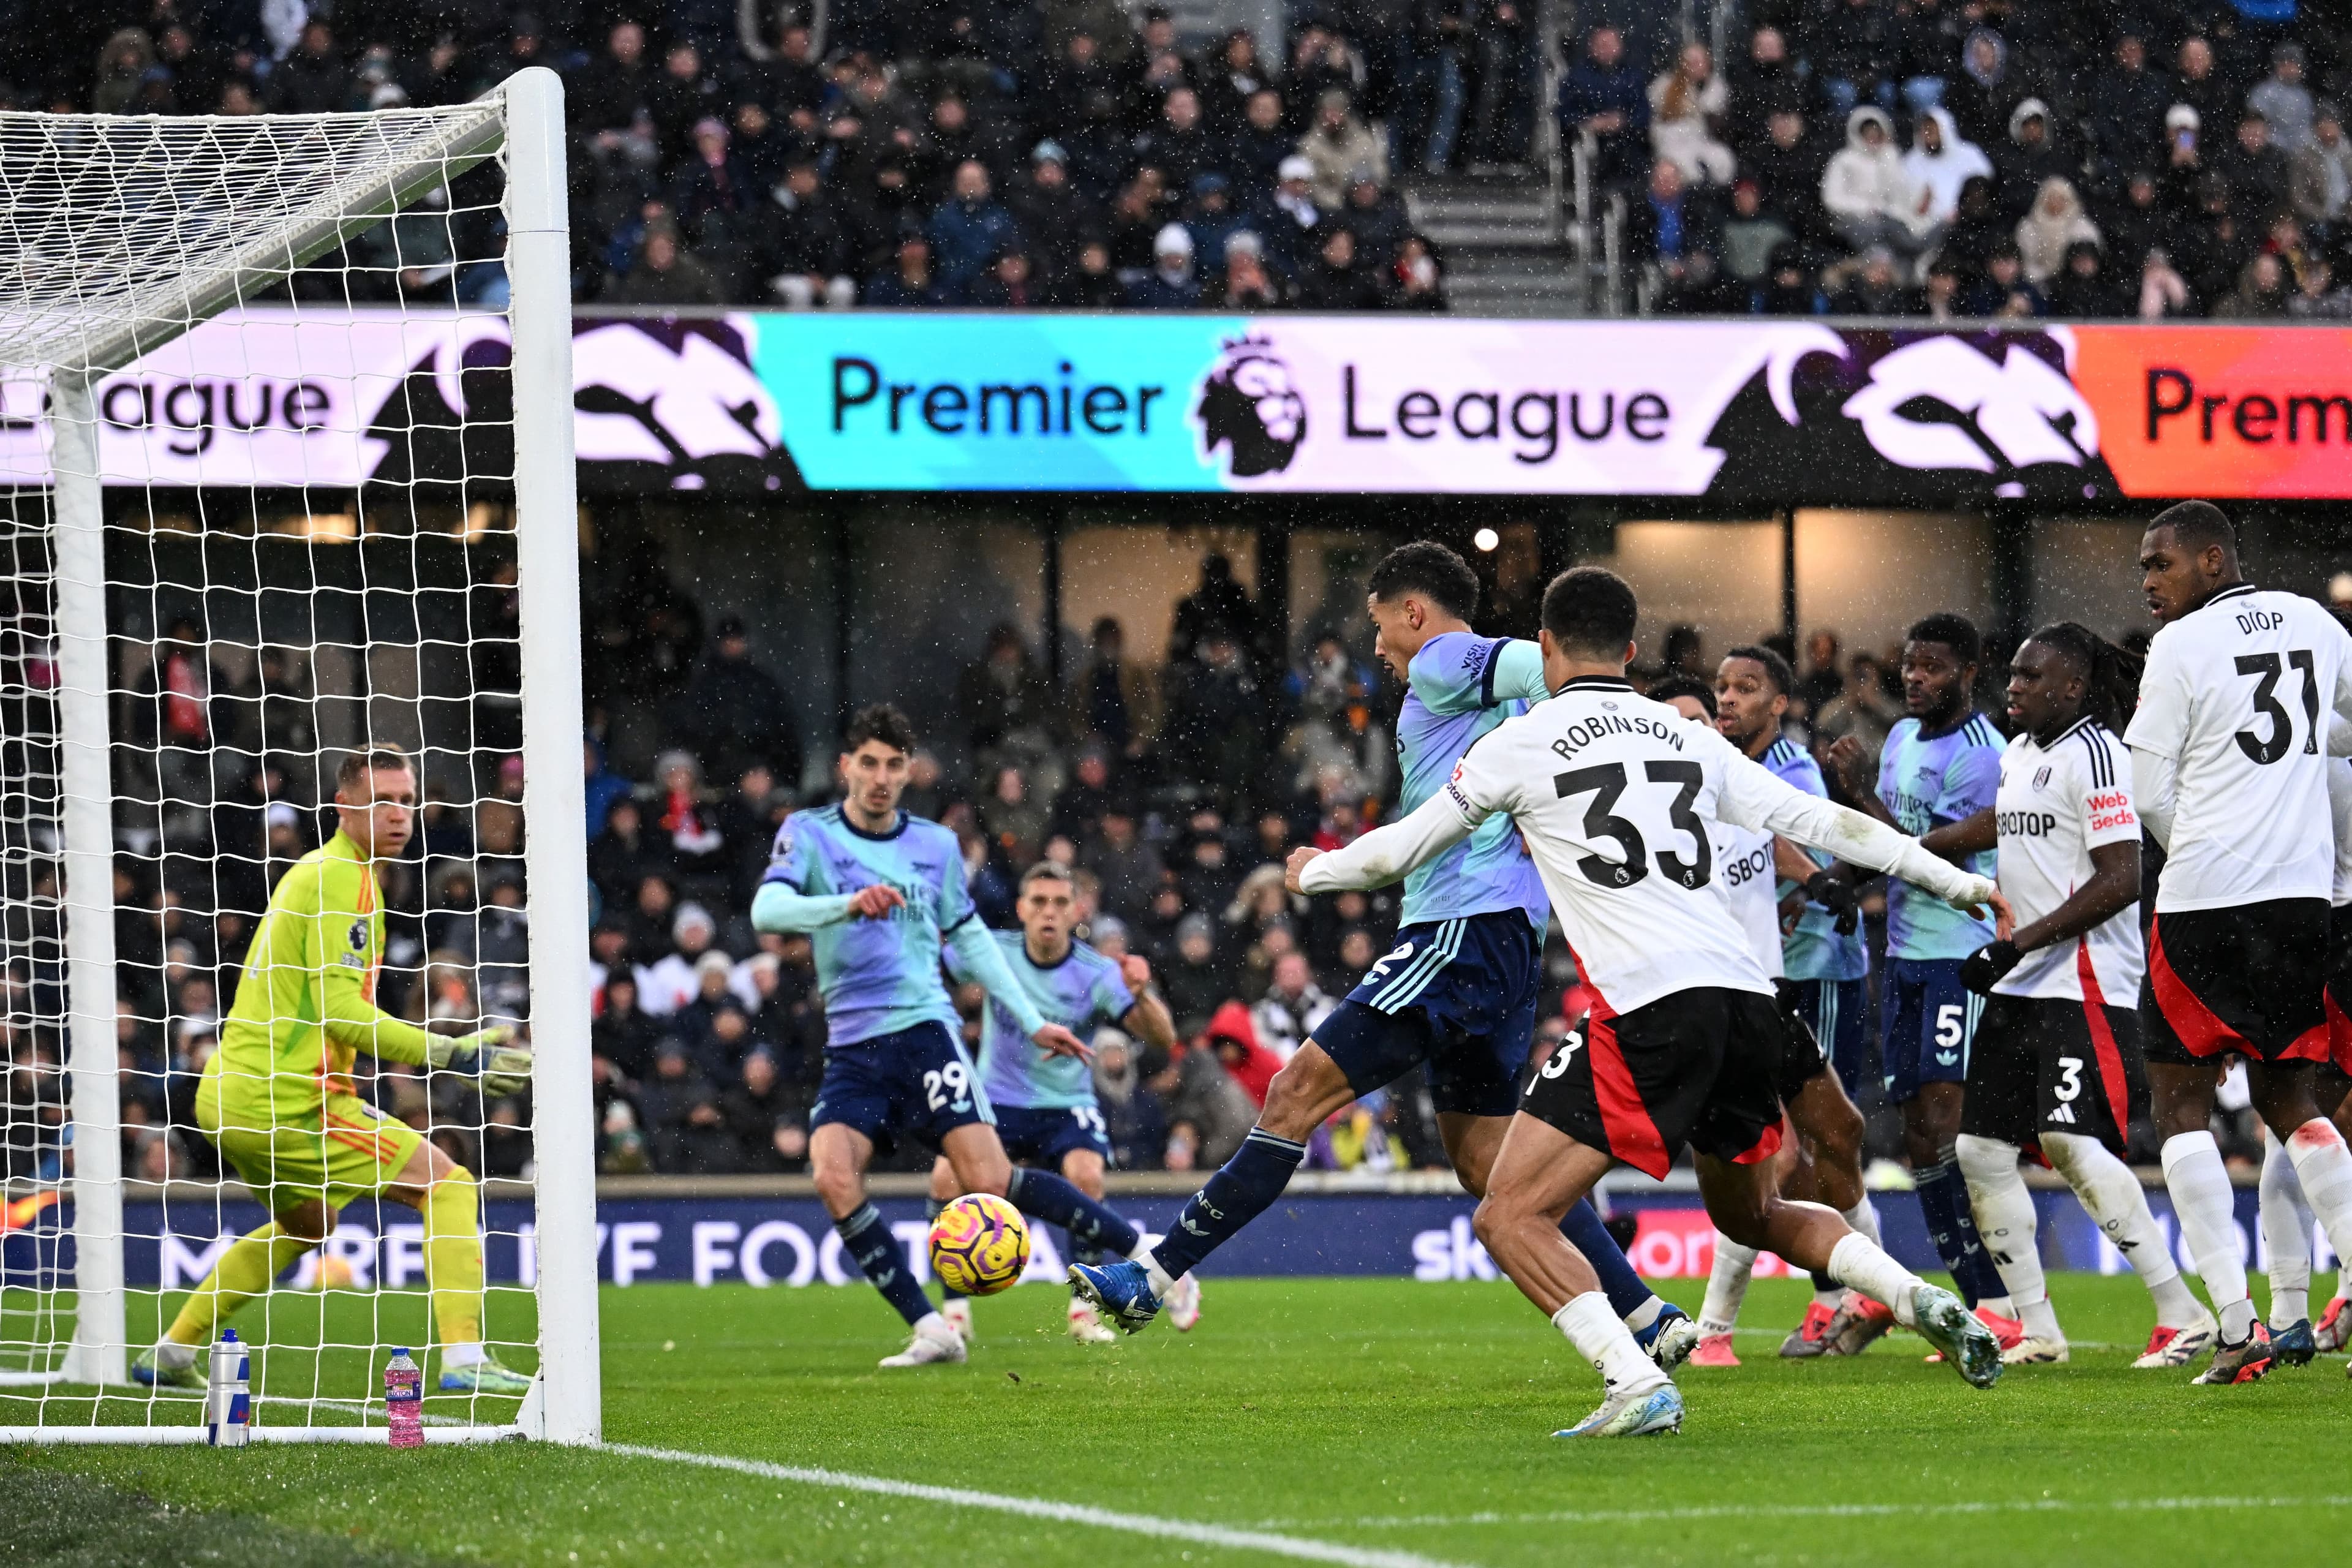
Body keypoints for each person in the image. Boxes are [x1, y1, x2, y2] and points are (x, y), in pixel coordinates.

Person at [1223, 568, 2011, 1436]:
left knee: (1509, 1214)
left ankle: (1633, 1382)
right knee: (1757, 1212)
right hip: (1752, 1001)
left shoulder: (1519, 744)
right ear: (1634, 652)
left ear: (1547, 648)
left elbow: (1394, 855)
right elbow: (1828, 827)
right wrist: (1955, 882)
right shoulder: (1691, 736)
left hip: (1653, 1008)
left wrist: (1313, 871)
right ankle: (1915, 1296)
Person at [1074, 544, 1719, 1366]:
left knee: (1293, 1093)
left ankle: (1152, 1277)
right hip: (1507, 941)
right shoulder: (1495, 702)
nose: (1377, 648)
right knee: (1488, 1159)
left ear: (1413, 613)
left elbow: (1553, 668)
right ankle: (1644, 1315)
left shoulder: (1449, 658)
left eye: (1381, 627)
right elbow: (1551, 691)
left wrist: (1624, 707)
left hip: (1457, 935)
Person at [752, 706, 1167, 1368]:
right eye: (869, 763)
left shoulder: (935, 847)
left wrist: (1032, 1021)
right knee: (833, 1177)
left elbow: (970, 938)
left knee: (990, 1179)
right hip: (852, 1045)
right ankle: (932, 1327)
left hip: (923, 1033)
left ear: (909, 771)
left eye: (894, 764)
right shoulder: (809, 833)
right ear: (846, 767)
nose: (882, 777)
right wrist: (846, 904)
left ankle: (1148, 1257)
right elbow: (767, 911)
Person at [134, 748, 532, 1393]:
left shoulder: (325, 874)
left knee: (308, 1224)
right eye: (381, 799)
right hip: (290, 1102)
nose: (398, 813)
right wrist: (451, 1051)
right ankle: (466, 1360)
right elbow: (343, 1012)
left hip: (228, 1101)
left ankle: (171, 1351)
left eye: (406, 799)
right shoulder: (343, 879)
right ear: (344, 807)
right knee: (448, 1184)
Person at [1911, 624, 2217, 1368]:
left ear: (2073, 687)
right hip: (2021, 981)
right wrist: (1911, 853)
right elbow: (2002, 823)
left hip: (2082, 981)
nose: (2012, 686)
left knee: (2067, 1141)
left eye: (2029, 676)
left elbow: (2122, 878)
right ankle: (2039, 1328)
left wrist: (2016, 941)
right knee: (1981, 1151)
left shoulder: (2099, 755)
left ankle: (2184, 1315)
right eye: (2011, 674)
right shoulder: (2021, 753)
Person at [2122, 502, 2352, 1384]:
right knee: (2293, 1104)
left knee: (2179, 1110)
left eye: (2160, 564)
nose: (2148, 582)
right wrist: (2294, 773)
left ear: (2212, 560)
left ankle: (2235, 1323)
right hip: (2302, 904)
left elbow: (2148, 793)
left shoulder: (2179, 648)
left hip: (2206, 904)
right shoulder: (2317, 621)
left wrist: (2209, 849)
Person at [1668, 649, 1883, 1365]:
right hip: (1729, 996)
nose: (1719, 709)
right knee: (1782, 1158)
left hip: (1786, 988)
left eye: (1732, 695)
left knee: (1838, 1134)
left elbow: (1776, 840)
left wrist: (1817, 884)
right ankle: (1722, 1329)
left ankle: (1863, 1291)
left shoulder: (1749, 779)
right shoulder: (1678, 803)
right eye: (1711, 698)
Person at [1825, 614, 2019, 1349]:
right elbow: (1883, 852)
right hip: (1903, 958)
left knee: (1945, 1128)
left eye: (1933, 667)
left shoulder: (1982, 757)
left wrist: (1858, 793)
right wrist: (1835, 882)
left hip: (1957, 955)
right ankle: (1976, 1300)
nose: (1915, 678)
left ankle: (1993, 1300)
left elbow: (1927, 865)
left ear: (1969, 673)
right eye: (1909, 665)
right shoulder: (1903, 738)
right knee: (1917, 1136)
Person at [928, 862, 1185, 1346]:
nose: (1049, 912)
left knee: (1086, 1175)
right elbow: (931, 963)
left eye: (1060, 903)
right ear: (1022, 909)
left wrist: (1143, 994)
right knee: (945, 1178)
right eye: (1039, 902)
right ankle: (955, 1316)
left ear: (1077, 912)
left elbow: (1164, 1038)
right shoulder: (992, 953)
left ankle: (1082, 1313)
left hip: (1066, 1102)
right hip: (996, 1100)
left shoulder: (1098, 972)